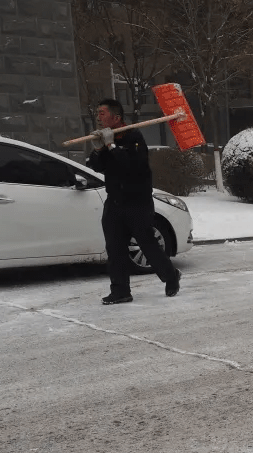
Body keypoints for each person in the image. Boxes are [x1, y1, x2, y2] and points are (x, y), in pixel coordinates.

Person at [86, 98, 181, 305]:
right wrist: (98, 149)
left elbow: (131, 167)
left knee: (147, 244)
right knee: (115, 247)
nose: (98, 117)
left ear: (116, 117)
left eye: (102, 113)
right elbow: (97, 167)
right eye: (98, 113)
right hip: (115, 202)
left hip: (137, 202)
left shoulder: (134, 137)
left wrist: (111, 145)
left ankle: (171, 276)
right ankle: (120, 291)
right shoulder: (106, 138)